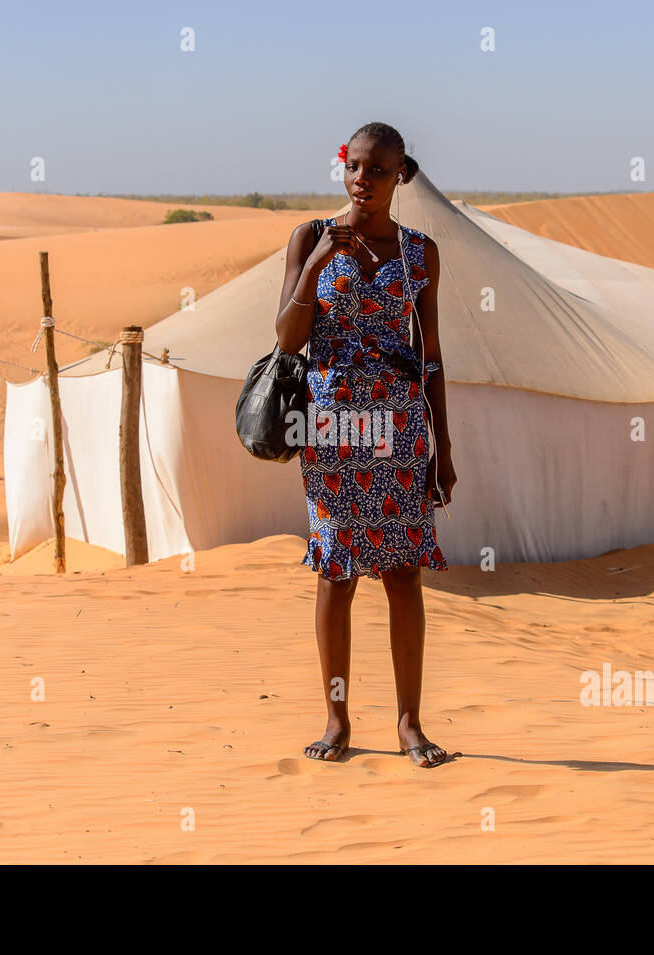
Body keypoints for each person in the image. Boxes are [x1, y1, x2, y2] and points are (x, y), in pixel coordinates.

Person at [274, 122, 457, 768]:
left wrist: (444, 445)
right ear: (342, 167)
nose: (362, 180)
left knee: (404, 574)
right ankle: (337, 716)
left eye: (378, 171)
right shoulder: (308, 237)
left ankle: (410, 722)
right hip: (333, 433)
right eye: (354, 166)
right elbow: (288, 338)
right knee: (337, 572)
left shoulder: (419, 254)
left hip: (402, 436)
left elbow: (430, 357)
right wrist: (322, 260)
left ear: (400, 176)